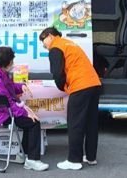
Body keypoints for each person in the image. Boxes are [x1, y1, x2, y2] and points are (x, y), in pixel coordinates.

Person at [39, 27, 101, 171]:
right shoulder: (69, 44)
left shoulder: (56, 47)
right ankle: (91, 157)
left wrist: (63, 87)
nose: (44, 45)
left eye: (43, 41)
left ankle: (74, 160)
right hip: (94, 84)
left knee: (75, 123)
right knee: (91, 123)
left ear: (50, 36)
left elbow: (57, 73)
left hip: (80, 86)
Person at [0, 46, 49, 172]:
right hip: (1, 116)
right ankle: (32, 160)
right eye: (12, 61)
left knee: (30, 121)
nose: (13, 63)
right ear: (6, 64)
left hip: (3, 112)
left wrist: (21, 86)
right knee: (33, 122)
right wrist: (26, 113)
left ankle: (23, 154)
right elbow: (9, 104)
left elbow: (10, 86)